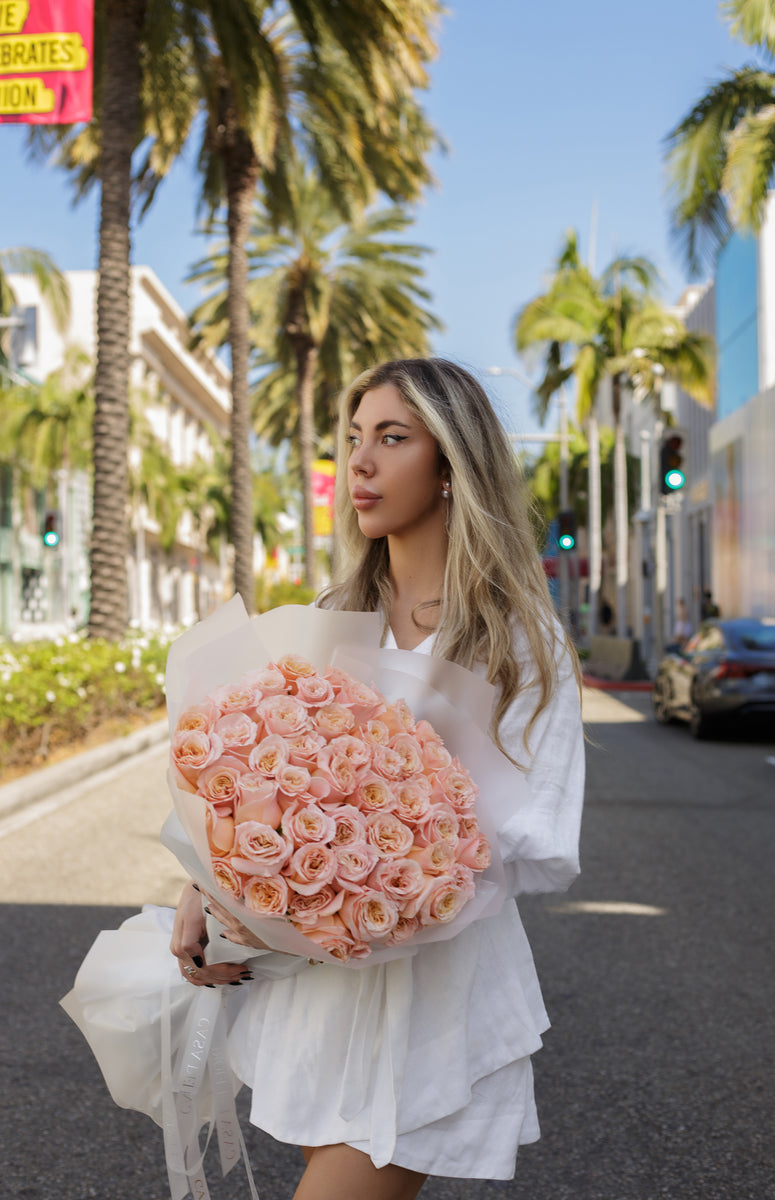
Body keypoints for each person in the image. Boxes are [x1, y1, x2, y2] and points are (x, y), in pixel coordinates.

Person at [170, 358, 585, 1200]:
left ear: (450, 467)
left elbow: (534, 841)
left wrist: (387, 879)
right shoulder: (328, 618)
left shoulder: (516, 640)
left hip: (432, 1002)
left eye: (392, 439)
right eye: (355, 438)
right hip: (322, 997)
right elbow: (259, 789)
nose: (358, 463)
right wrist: (214, 885)